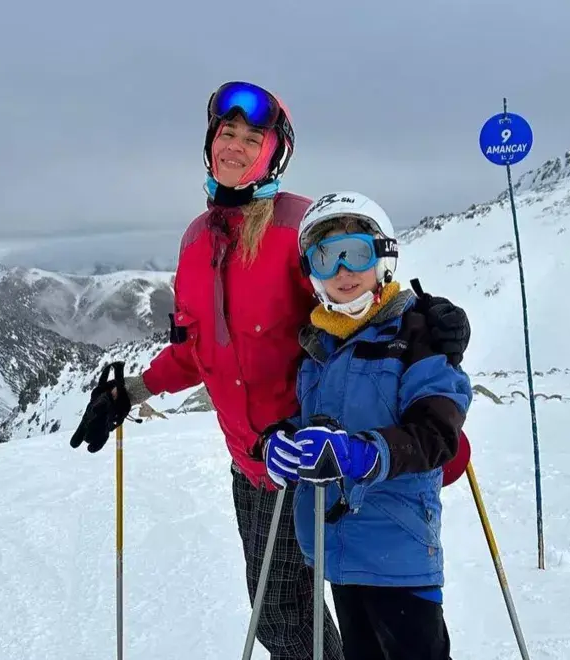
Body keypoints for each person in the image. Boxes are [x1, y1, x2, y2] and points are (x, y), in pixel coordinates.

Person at [69, 81, 471, 659]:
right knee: (287, 617)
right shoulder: (194, 241)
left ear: (273, 152)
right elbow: (195, 351)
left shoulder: (296, 228)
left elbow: (360, 303)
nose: (233, 146)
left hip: (315, 459)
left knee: (318, 614)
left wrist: (431, 327)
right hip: (252, 465)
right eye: (225, 133)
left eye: (251, 137)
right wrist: (130, 392)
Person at [261, 191, 473, 660]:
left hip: (398, 551)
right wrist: (278, 441)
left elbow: (436, 434)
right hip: (337, 550)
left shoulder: (417, 335)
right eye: (325, 257)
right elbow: (310, 421)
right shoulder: (319, 345)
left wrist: (364, 454)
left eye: (356, 252)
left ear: (383, 257)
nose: (343, 270)